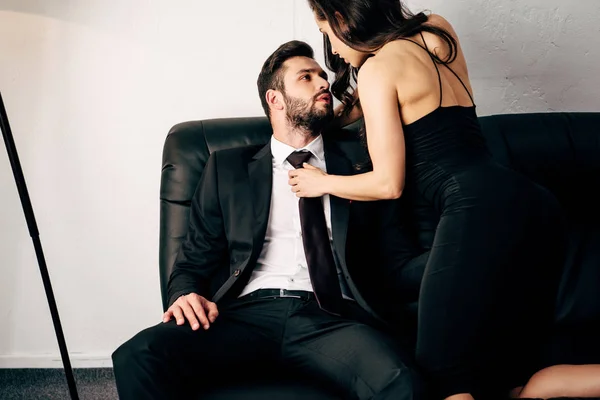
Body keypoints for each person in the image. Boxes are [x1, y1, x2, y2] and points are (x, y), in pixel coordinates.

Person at [288, 1, 573, 399]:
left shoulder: (376, 72)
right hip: (533, 205)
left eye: (328, 35)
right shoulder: (438, 30)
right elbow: (386, 98)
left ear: (343, 19)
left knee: (443, 374)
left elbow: (389, 184)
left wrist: (323, 183)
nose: (333, 51)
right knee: (512, 379)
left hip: (476, 210)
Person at [111, 40, 425, 400]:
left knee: (400, 382)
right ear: (274, 99)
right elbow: (193, 258)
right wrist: (183, 294)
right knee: (137, 355)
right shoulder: (227, 168)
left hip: (332, 318)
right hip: (245, 314)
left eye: (322, 76)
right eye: (306, 77)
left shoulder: (363, 166)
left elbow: (394, 253)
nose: (323, 83)